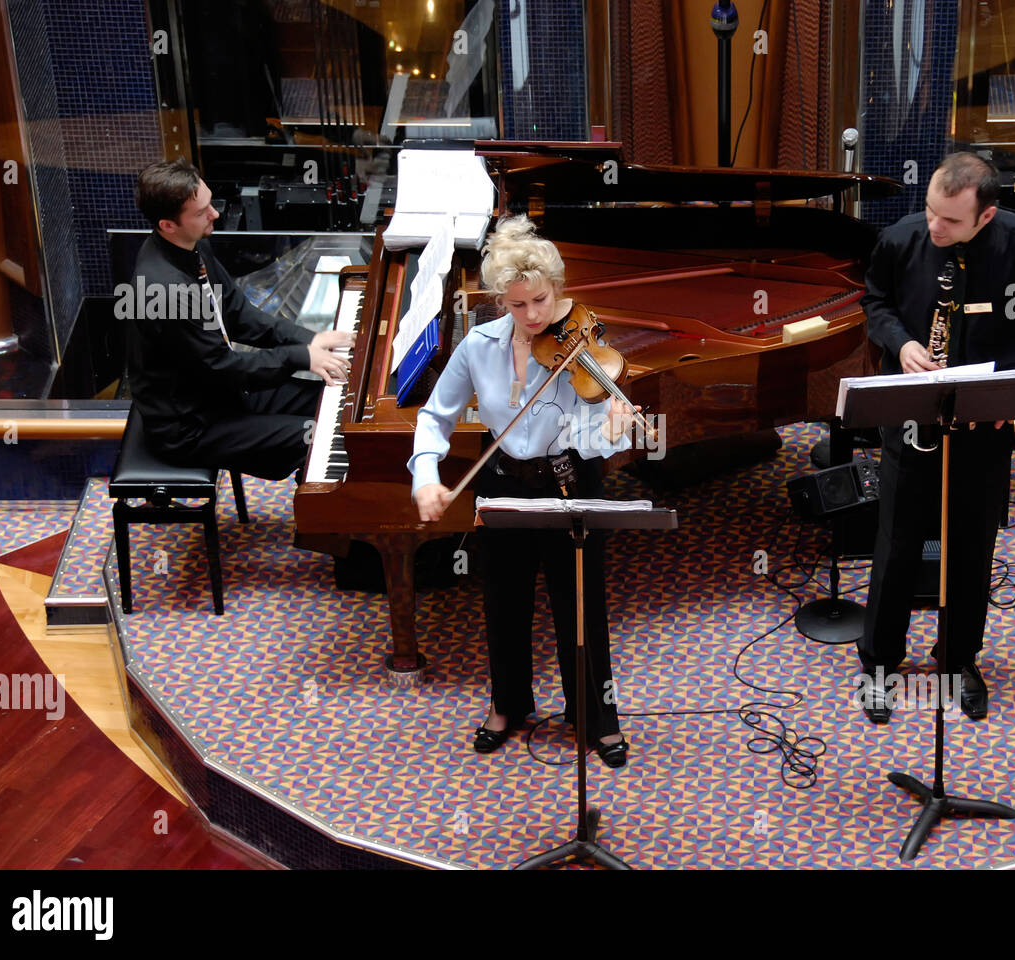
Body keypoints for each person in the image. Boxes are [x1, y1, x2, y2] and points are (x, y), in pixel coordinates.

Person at [856, 152, 1015, 723]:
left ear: (986, 216)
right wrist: (901, 341)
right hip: (912, 415)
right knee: (897, 543)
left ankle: (958, 660)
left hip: (985, 421)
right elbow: (875, 302)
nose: (936, 227)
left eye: (951, 221)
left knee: (971, 545)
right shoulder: (902, 239)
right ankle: (880, 663)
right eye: (931, 211)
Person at [408, 216, 639, 767]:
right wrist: (426, 478)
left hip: (568, 483)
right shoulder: (478, 347)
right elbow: (434, 417)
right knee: (502, 601)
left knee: (581, 608)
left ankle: (595, 714)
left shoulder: (582, 346)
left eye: (539, 300)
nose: (532, 317)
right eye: (516, 306)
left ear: (556, 289)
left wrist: (611, 428)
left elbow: (588, 433)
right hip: (503, 482)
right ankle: (508, 704)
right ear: (499, 302)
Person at [126, 158, 354, 480]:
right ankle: (325, 523)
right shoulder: (166, 293)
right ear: (168, 225)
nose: (215, 213)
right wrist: (300, 357)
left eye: (210, 203)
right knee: (321, 435)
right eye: (202, 211)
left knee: (336, 400)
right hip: (192, 425)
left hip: (221, 395)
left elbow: (239, 314)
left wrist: (307, 339)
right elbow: (224, 369)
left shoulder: (191, 246)